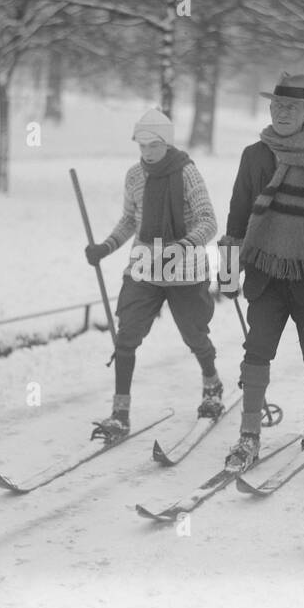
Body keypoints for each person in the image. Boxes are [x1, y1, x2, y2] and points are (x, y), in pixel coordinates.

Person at [218, 73, 304, 472]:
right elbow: (238, 212)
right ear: (270, 109)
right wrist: (229, 271)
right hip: (266, 272)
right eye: (277, 106)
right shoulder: (255, 155)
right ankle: (248, 437)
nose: (283, 113)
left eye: (292, 108)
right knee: (256, 350)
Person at [86, 108, 222, 441]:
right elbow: (130, 220)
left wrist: (182, 245)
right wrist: (105, 247)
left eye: (154, 146)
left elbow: (208, 221)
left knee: (194, 335)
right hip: (145, 265)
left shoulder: (187, 173)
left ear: (167, 144)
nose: (147, 153)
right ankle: (120, 413)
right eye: (142, 146)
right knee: (127, 336)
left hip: (185, 269)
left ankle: (212, 384)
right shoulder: (134, 176)